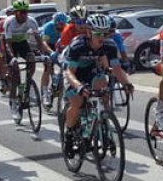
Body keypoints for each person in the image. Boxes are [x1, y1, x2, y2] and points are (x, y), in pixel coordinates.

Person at [61, 14, 135, 154]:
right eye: (98, 33)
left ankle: (103, 121)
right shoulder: (78, 45)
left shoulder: (109, 46)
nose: (102, 37)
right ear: (89, 32)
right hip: (73, 72)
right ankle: (69, 135)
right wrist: (79, 86)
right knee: (77, 103)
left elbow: (118, 70)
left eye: (105, 33)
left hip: (90, 70)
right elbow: (69, 72)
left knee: (103, 87)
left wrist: (127, 84)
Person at [40, 12, 69, 107]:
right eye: (60, 24)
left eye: (64, 24)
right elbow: (44, 42)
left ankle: (58, 85)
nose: (62, 25)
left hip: (59, 46)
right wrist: (50, 52)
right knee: (48, 66)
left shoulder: (66, 27)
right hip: (48, 45)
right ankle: (45, 93)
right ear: (55, 23)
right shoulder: (48, 27)